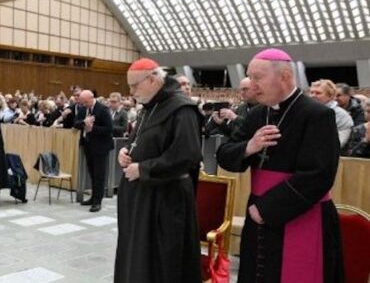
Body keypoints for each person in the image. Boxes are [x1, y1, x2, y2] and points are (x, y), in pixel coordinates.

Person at [216, 48, 344, 283]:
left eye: (258, 77)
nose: (252, 85)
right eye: (250, 77)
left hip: (300, 213)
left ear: (284, 76)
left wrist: (266, 210)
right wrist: (249, 147)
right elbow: (224, 154)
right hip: (258, 214)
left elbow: (319, 175)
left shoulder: (317, 115)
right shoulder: (256, 115)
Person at [115, 58, 202, 283]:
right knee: (138, 255)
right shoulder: (149, 107)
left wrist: (143, 169)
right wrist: (125, 151)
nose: (131, 92)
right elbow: (140, 142)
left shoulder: (182, 109)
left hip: (166, 199)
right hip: (142, 199)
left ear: (153, 79)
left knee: (161, 262)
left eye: (135, 86)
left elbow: (186, 155)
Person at [74, 90, 113, 212]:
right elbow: (75, 123)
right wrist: (83, 122)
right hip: (87, 145)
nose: (84, 104)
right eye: (82, 102)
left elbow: (109, 128)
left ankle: (97, 201)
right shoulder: (82, 109)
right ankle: (93, 197)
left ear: (92, 98)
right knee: (92, 173)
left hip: (101, 147)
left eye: (85, 102)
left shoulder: (102, 109)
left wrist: (92, 129)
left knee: (99, 175)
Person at [309, 79, 354, 148]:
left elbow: (337, 144)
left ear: (330, 96)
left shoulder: (342, 116)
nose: (313, 96)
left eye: (318, 93)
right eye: (311, 93)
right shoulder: (305, 112)